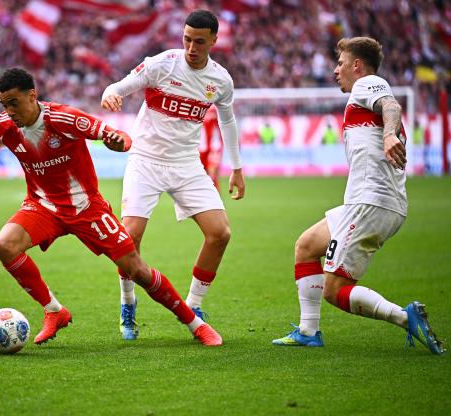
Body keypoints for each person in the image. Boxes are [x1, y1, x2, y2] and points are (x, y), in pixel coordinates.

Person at [0, 68, 223, 347]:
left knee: (135, 268)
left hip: (86, 208)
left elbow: (110, 132)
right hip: (42, 207)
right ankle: (54, 311)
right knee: (4, 245)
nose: (10, 111)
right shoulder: (2, 128)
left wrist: (117, 141)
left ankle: (194, 323)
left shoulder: (63, 118)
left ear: (32, 96)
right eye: (4, 105)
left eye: (15, 103)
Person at [272, 37, 445, 355]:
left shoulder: (368, 83)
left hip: (371, 202)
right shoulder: (362, 94)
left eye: (340, 63)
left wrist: (391, 132)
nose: (335, 70)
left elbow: (390, 106)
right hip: (368, 202)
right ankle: (309, 331)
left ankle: (405, 318)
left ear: (356, 65)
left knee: (334, 289)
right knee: (307, 246)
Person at [101, 10, 245, 340]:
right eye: (186, 39)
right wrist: (111, 93)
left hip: (186, 165)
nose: (191, 47)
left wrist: (236, 168)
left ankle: (193, 305)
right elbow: (119, 86)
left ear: (213, 41)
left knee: (220, 233)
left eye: (199, 41)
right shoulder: (162, 64)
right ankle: (127, 302)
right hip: (146, 161)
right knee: (129, 239)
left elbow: (227, 122)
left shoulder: (220, 80)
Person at [199, 105, 223, 189]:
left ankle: (216, 202)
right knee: (200, 179)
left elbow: (226, 123)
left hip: (214, 147)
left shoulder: (215, 106)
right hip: (200, 148)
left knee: (212, 179)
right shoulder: (195, 103)